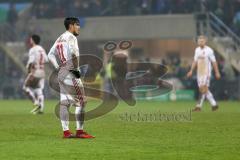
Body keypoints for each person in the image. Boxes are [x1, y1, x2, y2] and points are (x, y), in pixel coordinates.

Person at [48, 17, 94, 138]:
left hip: (62, 72)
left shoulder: (60, 38)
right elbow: (73, 53)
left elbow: (50, 55)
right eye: (77, 25)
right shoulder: (71, 37)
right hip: (71, 70)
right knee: (82, 102)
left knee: (64, 103)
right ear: (71, 26)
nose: (79, 27)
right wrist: (75, 70)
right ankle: (80, 131)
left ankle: (66, 132)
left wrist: (58, 67)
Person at [187, 35, 221, 112]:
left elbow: (214, 62)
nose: (200, 42)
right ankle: (214, 105)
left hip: (206, 73)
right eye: (199, 41)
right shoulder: (197, 50)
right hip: (199, 73)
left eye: (202, 41)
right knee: (204, 89)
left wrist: (217, 72)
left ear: (205, 41)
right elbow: (195, 61)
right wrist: (191, 70)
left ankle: (198, 106)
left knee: (203, 88)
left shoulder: (209, 50)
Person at [23, 34, 48, 114]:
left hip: (35, 71)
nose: (30, 41)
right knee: (39, 89)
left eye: (31, 39)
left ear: (33, 40)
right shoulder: (42, 49)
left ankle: (36, 103)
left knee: (25, 87)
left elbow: (31, 62)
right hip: (42, 71)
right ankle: (41, 109)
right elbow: (46, 60)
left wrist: (29, 71)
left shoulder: (33, 49)